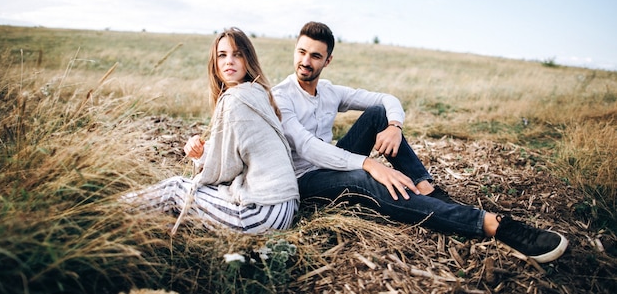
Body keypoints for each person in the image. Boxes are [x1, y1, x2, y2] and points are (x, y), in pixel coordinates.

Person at [272, 21, 568, 263]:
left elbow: (386, 99)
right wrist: (370, 164)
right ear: (294, 51)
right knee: (368, 179)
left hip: (330, 164)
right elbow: (307, 146)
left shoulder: (329, 91)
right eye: (301, 52)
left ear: (328, 60)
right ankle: (492, 224)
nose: (305, 61)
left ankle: (426, 188)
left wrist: (394, 126)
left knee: (377, 114)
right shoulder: (282, 96)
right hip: (304, 181)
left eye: (315, 56)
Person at [122, 28, 299, 234]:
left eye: (237, 54)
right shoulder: (257, 92)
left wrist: (202, 158)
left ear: (248, 59)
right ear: (214, 64)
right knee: (193, 197)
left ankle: (111, 211)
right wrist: (202, 153)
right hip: (284, 207)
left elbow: (226, 170)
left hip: (263, 212)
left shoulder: (235, 99)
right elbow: (241, 154)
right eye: (222, 55)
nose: (229, 61)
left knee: (175, 189)